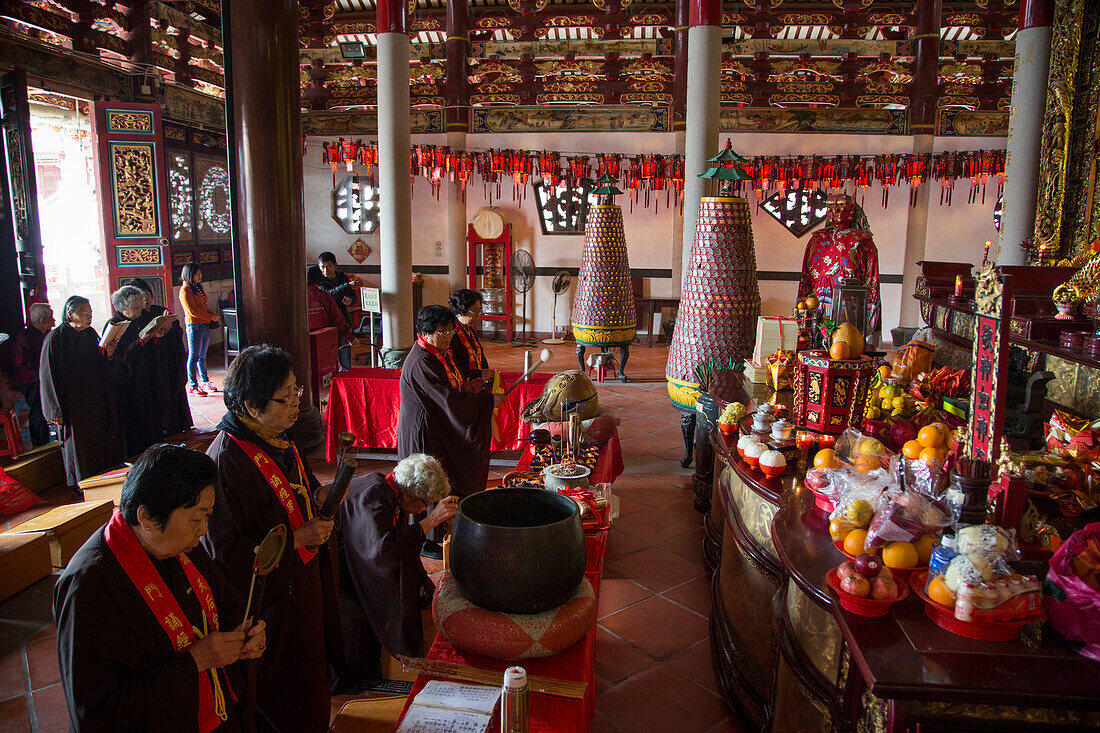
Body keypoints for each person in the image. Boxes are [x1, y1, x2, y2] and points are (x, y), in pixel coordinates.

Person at [54, 444, 266, 732]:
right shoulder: (89, 586)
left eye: (208, 516)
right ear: (147, 518)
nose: (204, 530)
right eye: (196, 518)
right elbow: (96, 713)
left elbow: (224, 602)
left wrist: (244, 632)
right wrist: (196, 662)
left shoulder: (180, 545)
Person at [202, 345, 342, 732]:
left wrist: (318, 497)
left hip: (301, 584)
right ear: (250, 405)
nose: (297, 404)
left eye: (297, 392)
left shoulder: (279, 437)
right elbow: (225, 553)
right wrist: (296, 539)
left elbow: (304, 486)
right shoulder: (227, 460)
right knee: (279, 692)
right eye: (285, 398)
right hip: (269, 603)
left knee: (310, 675)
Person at [337, 454, 456, 687]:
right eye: (424, 503)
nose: (423, 509)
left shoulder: (390, 489)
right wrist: (429, 522)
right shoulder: (376, 494)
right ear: (411, 493)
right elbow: (380, 550)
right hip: (346, 571)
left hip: (359, 562)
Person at [397, 305, 501, 558]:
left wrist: (468, 386)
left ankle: (441, 529)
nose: (448, 337)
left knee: (438, 477)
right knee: (425, 480)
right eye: (441, 332)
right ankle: (426, 539)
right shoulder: (423, 360)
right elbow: (447, 401)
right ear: (424, 332)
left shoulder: (440, 352)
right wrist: (487, 402)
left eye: (450, 331)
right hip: (424, 430)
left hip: (437, 423)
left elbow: (451, 389)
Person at [39, 296, 125, 486]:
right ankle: (81, 484)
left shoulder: (90, 334)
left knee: (100, 441)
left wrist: (109, 354)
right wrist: (54, 411)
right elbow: (48, 377)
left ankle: (102, 480)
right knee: (78, 446)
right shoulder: (55, 339)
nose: (89, 318)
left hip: (95, 398)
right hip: (72, 403)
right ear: (70, 313)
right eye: (85, 314)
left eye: (91, 313)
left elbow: (101, 363)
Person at [798, 193, 882, 350]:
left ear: (851, 210)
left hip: (849, 306)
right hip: (819, 304)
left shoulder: (863, 241)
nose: (834, 210)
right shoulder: (817, 239)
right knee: (816, 345)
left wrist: (871, 315)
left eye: (840, 205)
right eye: (829, 206)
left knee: (846, 347)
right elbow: (805, 278)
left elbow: (872, 280)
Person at [107, 285, 173, 457]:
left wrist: (157, 335)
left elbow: (149, 348)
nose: (139, 310)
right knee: (135, 424)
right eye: (135, 307)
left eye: (140, 306)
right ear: (122, 307)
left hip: (146, 377)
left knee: (152, 418)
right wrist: (141, 341)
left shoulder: (140, 320)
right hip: (129, 383)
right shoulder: (114, 325)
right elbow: (119, 357)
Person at [128, 277, 194, 438]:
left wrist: (169, 328)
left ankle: (177, 425)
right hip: (151, 365)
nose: (145, 300)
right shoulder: (135, 318)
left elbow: (178, 333)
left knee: (173, 394)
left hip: (167, 362)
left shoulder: (160, 310)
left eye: (147, 295)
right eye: (141, 297)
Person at [11, 302, 55, 446]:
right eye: (51, 317)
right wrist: (44, 366)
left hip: (45, 378)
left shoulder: (47, 334)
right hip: (32, 380)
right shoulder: (24, 337)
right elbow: (21, 361)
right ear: (42, 321)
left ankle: (48, 441)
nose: (54, 321)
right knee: (38, 411)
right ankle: (40, 444)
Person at [306, 265, 358, 370]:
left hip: (304, 339)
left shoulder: (297, 296)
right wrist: (351, 338)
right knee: (325, 369)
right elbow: (337, 318)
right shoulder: (324, 296)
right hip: (324, 338)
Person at [180, 263, 219, 396]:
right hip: (194, 325)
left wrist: (212, 314)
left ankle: (205, 381)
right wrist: (210, 316)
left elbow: (203, 305)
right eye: (197, 273)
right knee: (193, 356)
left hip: (204, 324)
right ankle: (193, 385)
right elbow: (192, 311)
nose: (200, 275)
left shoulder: (197, 287)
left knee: (202, 355)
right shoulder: (185, 290)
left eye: (200, 273)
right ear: (190, 274)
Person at [448, 288, 489, 382]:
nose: (477, 315)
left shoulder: (468, 329)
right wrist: (479, 374)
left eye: (479, 310)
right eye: (474, 311)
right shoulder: (451, 333)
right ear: (460, 310)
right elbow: (455, 366)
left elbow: (479, 354)